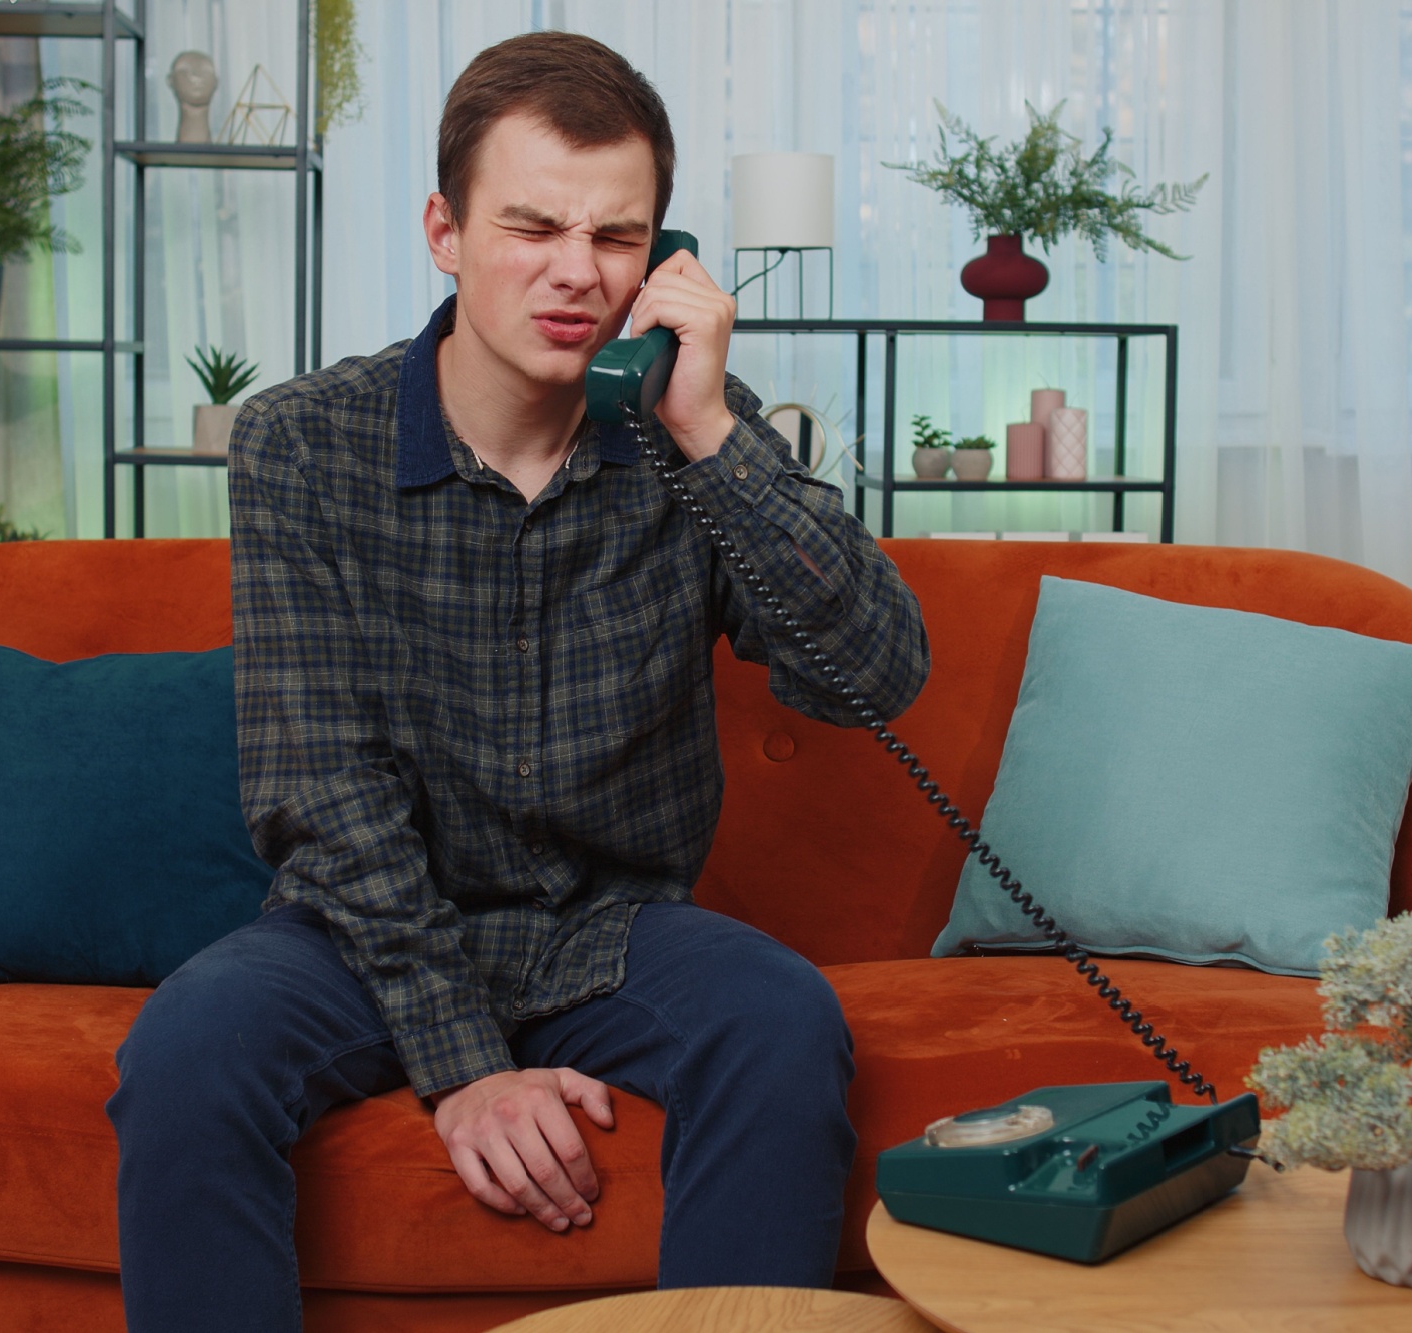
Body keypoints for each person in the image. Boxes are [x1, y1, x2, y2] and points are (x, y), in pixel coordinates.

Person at [106, 30, 929, 1332]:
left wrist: (710, 431)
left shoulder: (690, 435)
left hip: (609, 933)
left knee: (781, 1022)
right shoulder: (300, 443)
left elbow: (873, 676)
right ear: (444, 228)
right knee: (188, 1049)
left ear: (662, 257)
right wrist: (465, 1066)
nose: (574, 273)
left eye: (616, 237)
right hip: (358, 932)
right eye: (532, 224)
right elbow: (320, 787)